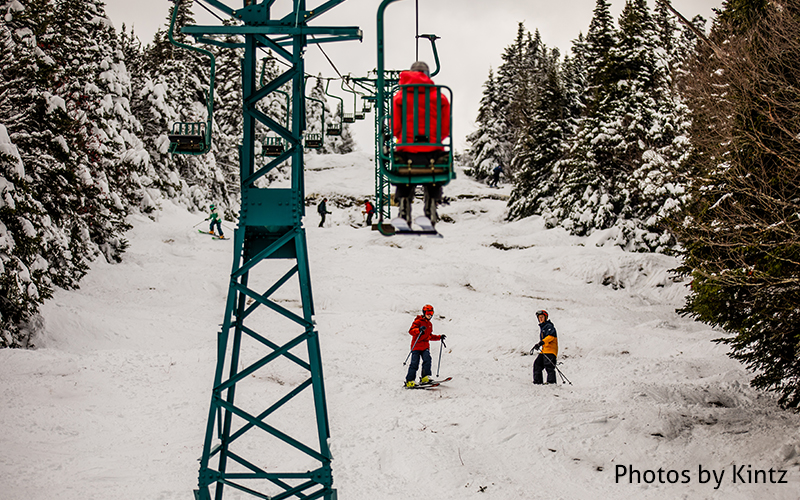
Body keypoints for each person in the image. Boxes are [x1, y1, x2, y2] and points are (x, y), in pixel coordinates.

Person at [392, 61, 451, 226]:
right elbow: (445, 129)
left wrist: (405, 138)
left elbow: (395, 128)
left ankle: (404, 204)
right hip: (433, 154)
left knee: (404, 172)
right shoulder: (440, 96)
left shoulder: (399, 97)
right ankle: (432, 202)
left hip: (406, 154)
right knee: (433, 174)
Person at [405, 304, 446, 388]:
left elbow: (429, 336)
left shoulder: (430, 324)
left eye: (431, 312)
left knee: (427, 360)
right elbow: (411, 331)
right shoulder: (418, 321)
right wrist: (419, 330)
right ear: (424, 313)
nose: (429, 314)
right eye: (428, 312)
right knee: (414, 364)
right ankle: (409, 381)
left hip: (425, 347)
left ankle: (425, 377)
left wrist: (439, 337)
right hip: (416, 346)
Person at [531, 309, 558, 384]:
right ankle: (537, 382)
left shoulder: (549, 326)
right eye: (539, 317)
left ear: (546, 317)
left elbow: (550, 337)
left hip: (550, 351)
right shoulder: (543, 327)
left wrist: (541, 342)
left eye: (542, 317)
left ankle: (551, 382)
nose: (540, 319)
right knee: (537, 364)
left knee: (549, 367)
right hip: (544, 351)